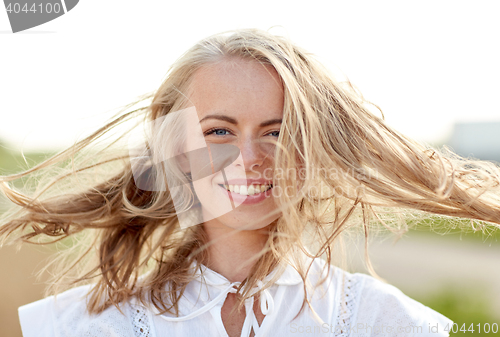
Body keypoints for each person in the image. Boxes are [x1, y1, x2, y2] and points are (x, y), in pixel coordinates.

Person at [1, 28, 499, 337]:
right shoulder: (75, 326)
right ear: (176, 148)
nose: (250, 158)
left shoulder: (390, 323)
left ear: (313, 148)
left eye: (278, 132)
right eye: (219, 131)